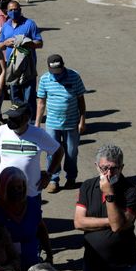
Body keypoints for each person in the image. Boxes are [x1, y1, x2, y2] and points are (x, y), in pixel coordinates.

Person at [74, 144, 136, 271]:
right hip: (94, 265)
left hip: (124, 266)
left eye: (113, 168)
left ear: (121, 167)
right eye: (104, 168)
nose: (109, 173)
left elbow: (119, 225)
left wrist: (109, 194)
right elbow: (79, 222)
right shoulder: (88, 186)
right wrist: (110, 221)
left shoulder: (130, 191)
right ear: (97, 166)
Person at [0, 102, 65, 200]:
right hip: (5, 191)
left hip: (31, 193)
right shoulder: (0, 131)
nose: (10, 120)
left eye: (15, 118)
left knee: (32, 215)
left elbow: (59, 151)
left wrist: (49, 174)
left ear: (26, 119)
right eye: (10, 117)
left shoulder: (38, 134)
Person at [35, 54, 87, 193]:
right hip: (52, 123)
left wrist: (82, 120)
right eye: (54, 71)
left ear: (63, 65)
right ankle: (53, 179)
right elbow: (41, 102)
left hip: (71, 123)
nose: (57, 74)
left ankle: (71, 178)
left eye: (59, 70)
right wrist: (37, 123)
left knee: (71, 152)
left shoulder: (74, 76)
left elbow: (81, 99)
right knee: (52, 152)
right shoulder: (45, 79)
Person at [0, 167, 52, 271]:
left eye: (20, 187)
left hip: (31, 264)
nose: (17, 191)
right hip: (4, 267)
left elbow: (41, 229)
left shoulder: (32, 205)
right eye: (12, 188)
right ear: (3, 187)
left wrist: (49, 255)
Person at [0, 0, 43, 113]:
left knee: (29, 96)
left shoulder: (29, 24)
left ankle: (30, 120)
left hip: (27, 66)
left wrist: (27, 42)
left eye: (16, 9)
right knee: (15, 96)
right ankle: (18, 118)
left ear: (20, 10)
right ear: (7, 12)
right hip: (12, 67)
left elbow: (40, 43)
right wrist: (5, 43)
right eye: (11, 10)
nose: (14, 12)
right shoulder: (5, 26)